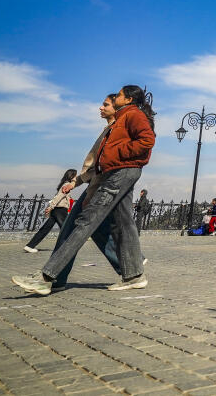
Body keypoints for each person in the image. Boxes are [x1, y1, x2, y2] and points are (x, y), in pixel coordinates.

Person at [12, 85, 155, 295]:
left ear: (128, 100)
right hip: (118, 171)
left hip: (120, 171)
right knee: (124, 223)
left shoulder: (133, 115)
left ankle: (47, 276)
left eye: (120, 95)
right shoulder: (123, 118)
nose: (114, 99)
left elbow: (147, 140)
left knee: (85, 222)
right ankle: (134, 275)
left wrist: (115, 154)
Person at [46, 95, 126, 292]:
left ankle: (55, 276)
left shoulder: (114, 130)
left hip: (98, 187)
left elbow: (100, 163)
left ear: (116, 108)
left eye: (106, 104)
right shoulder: (108, 129)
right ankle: (131, 267)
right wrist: (78, 181)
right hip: (95, 185)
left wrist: (77, 181)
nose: (100, 107)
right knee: (96, 230)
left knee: (70, 230)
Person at [24, 170, 77, 252]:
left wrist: (52, 207)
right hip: (60, 210)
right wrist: (51, 206)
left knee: (45, 229)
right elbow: (59, 196)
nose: (76, 178)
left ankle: (30, 246)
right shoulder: (67, 185)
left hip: (56, 210)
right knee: (67, 229)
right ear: (72, 176)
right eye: (75, 176)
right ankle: (68, 247)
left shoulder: (64, 184)